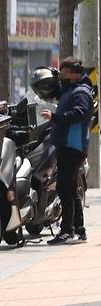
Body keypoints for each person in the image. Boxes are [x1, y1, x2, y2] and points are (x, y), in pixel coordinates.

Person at [32, 57, 94, 244]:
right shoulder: (70, 89)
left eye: (65, 72)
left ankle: (67, 230)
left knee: (64, 188)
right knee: (71, 189)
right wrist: (54, 78)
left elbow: (80, 113)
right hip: (67, 146)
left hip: (73, 146)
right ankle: (79, 230)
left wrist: (55, 117)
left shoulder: (81, 93)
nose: (62, 75)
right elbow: (55, 92)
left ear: (74, 73)